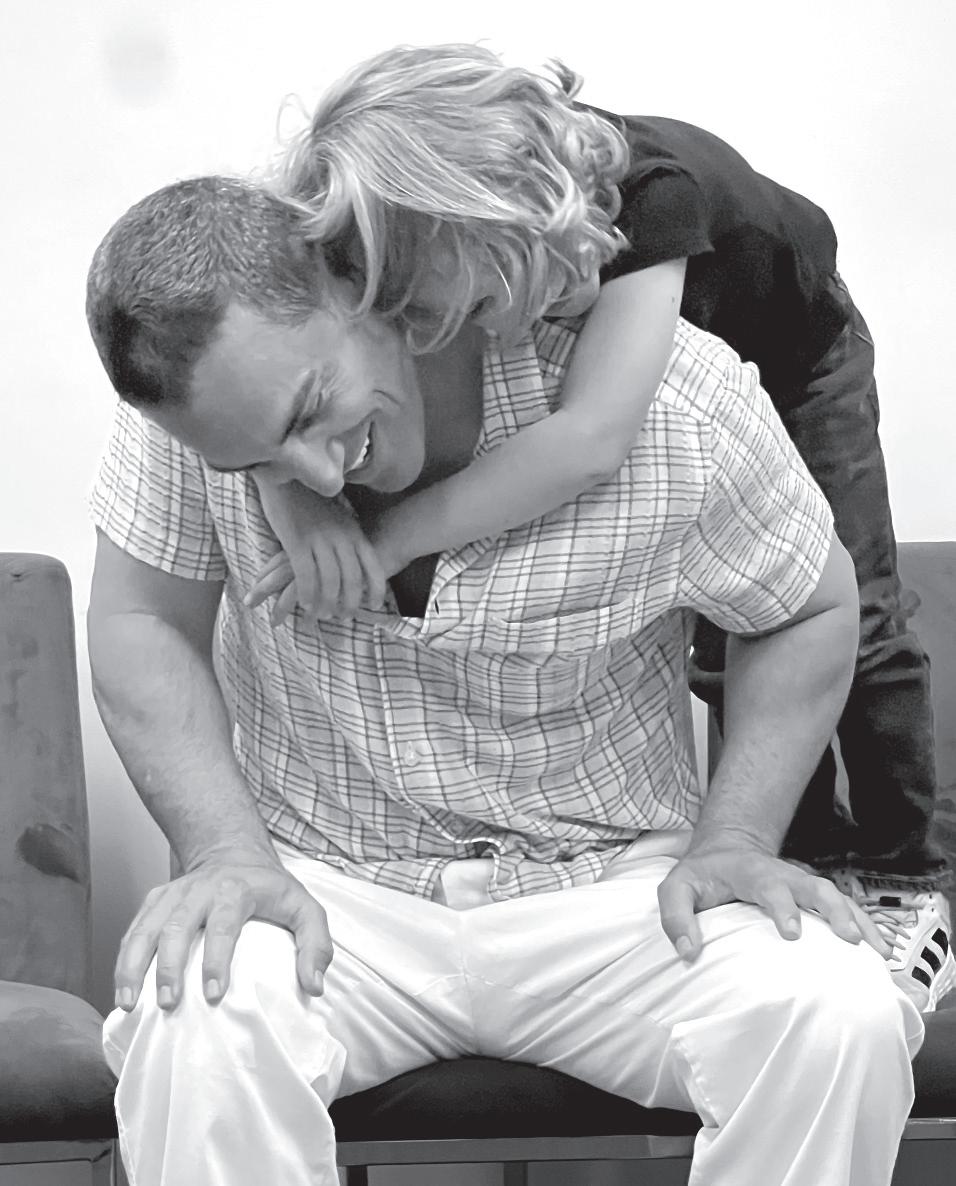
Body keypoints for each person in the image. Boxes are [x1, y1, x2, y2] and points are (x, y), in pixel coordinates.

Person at [85, 175, 921, 1186]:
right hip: (328, 886)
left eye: (313, 411)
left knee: (837, 1013)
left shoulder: (668, 395)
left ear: (365, 288)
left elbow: (805, 605)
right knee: (191, 1021)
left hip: (614, 889)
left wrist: (735, 836)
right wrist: (225, 851)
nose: (315, 477)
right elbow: (140, 621)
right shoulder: (212, 409)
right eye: (259, 463)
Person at [246, 43, 951, 1009]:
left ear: (498, 222)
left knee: (853, 612)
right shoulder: (471, 237)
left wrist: (391, 537)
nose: (437, 335)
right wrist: (291, 490)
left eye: (460, 308)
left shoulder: (646, 210)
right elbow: (241, 320)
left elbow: (588, 442)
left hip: (800, 357)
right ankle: (791, 858)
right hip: (695, 381)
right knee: (725, 644)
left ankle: (906, 874)